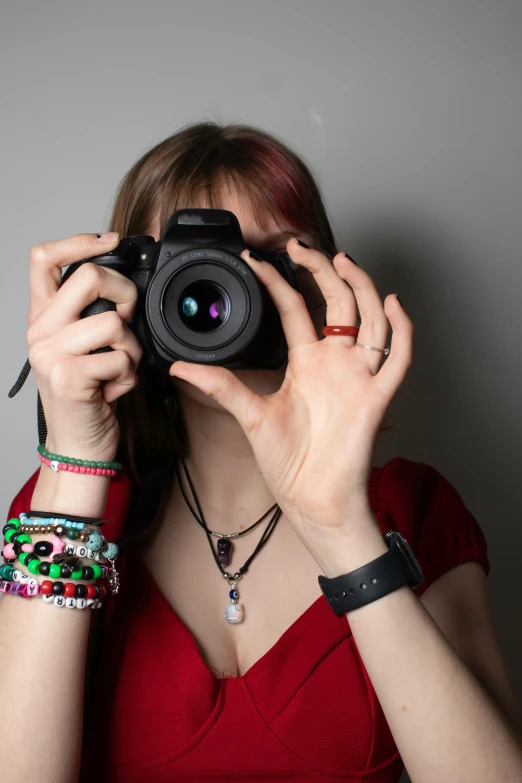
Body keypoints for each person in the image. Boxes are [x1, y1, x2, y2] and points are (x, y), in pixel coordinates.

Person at [2, 122, 522, 783]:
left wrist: (341, 529)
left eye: (266, 261)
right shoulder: (66, 512)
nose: (229, 296)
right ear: (128, 294)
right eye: (194, 266)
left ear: (328, 282)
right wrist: (74, 459)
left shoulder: (413, 509)